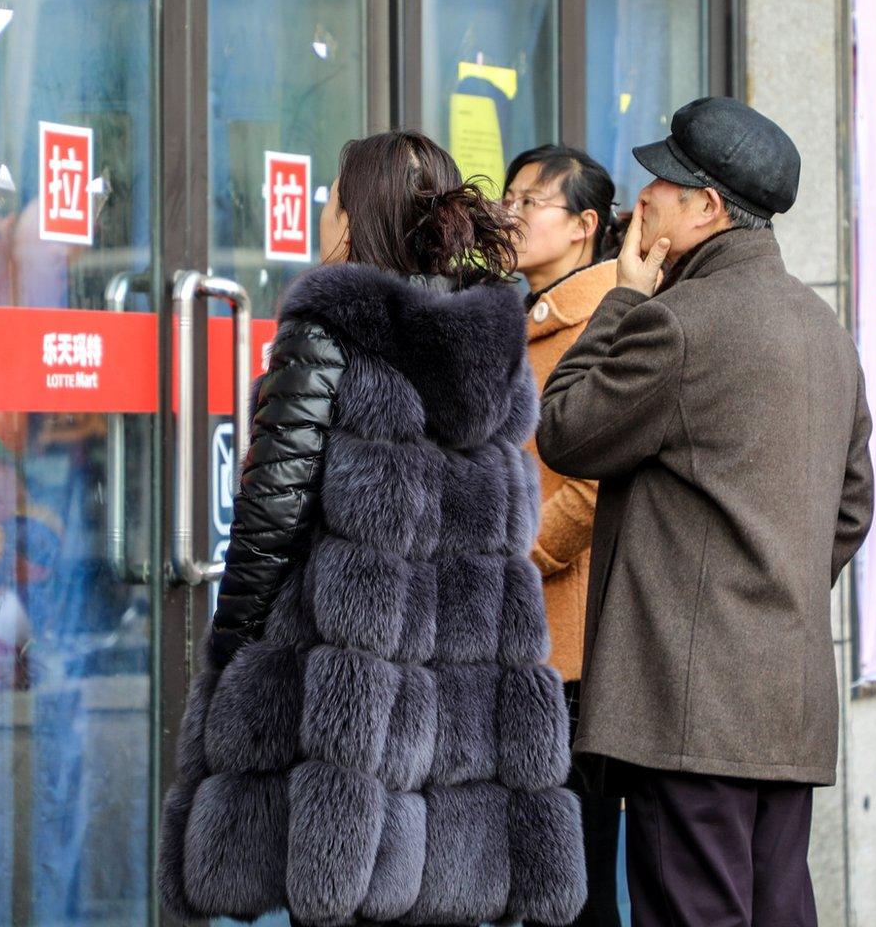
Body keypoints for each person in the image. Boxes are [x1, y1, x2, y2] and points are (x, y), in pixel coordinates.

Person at [158, 129, 586, 926]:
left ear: (353, 221)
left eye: (331, 202)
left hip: (344, 702)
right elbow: (513, 526)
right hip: (463, 724)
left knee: (340, 890)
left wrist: (233, 647)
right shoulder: (493, 355)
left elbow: (271, 510)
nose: (324, 217)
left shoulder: (328, 335)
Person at [536, 97, 873, 927]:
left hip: (686, 708)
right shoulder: (824, 326)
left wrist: (619, 298)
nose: (641, 199)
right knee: (776, 909)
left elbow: (566, 430)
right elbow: (854, 505)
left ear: (709, 208)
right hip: (783, 698)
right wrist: (770, 585)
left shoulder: (677, 321)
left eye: (663, 182)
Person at [506, 144, 629, 927]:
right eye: (508, 199)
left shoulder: (603, 323)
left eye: (530, 203)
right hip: (526, 636)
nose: (510, 216)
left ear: (585, 226)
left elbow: (590, 488)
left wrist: (513, 560)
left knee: (571, 881)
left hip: (569, 644)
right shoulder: (525, 316)